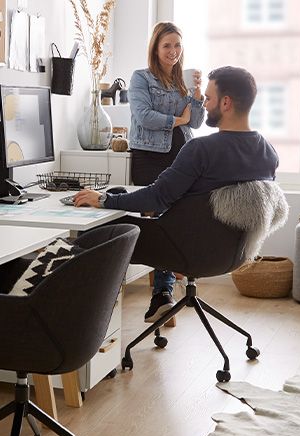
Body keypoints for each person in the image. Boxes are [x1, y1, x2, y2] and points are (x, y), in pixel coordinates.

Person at [73, 66, 279, 323]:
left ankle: (84, 321)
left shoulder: (201, 149)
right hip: (233, 255)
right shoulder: (268, 152)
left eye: (208, 98)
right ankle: (159, 295)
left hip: (186, 250)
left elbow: (157, 197)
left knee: (97, 229)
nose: (203, 103)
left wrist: (104, 200)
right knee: (125, 202)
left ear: (226, 103)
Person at [127, 22, 205, 320]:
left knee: (176, 220)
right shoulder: (141, 78)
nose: (173, 51)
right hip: (149, 156)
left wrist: (197, 96)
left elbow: (195, 123)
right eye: (167, 46)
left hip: (181, 156)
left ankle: (164, 294)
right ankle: (163, 294)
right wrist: (178, 118)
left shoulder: (183, 82)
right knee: (157, 220)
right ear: (155, 48)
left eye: (177, 45)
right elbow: (143, 117)